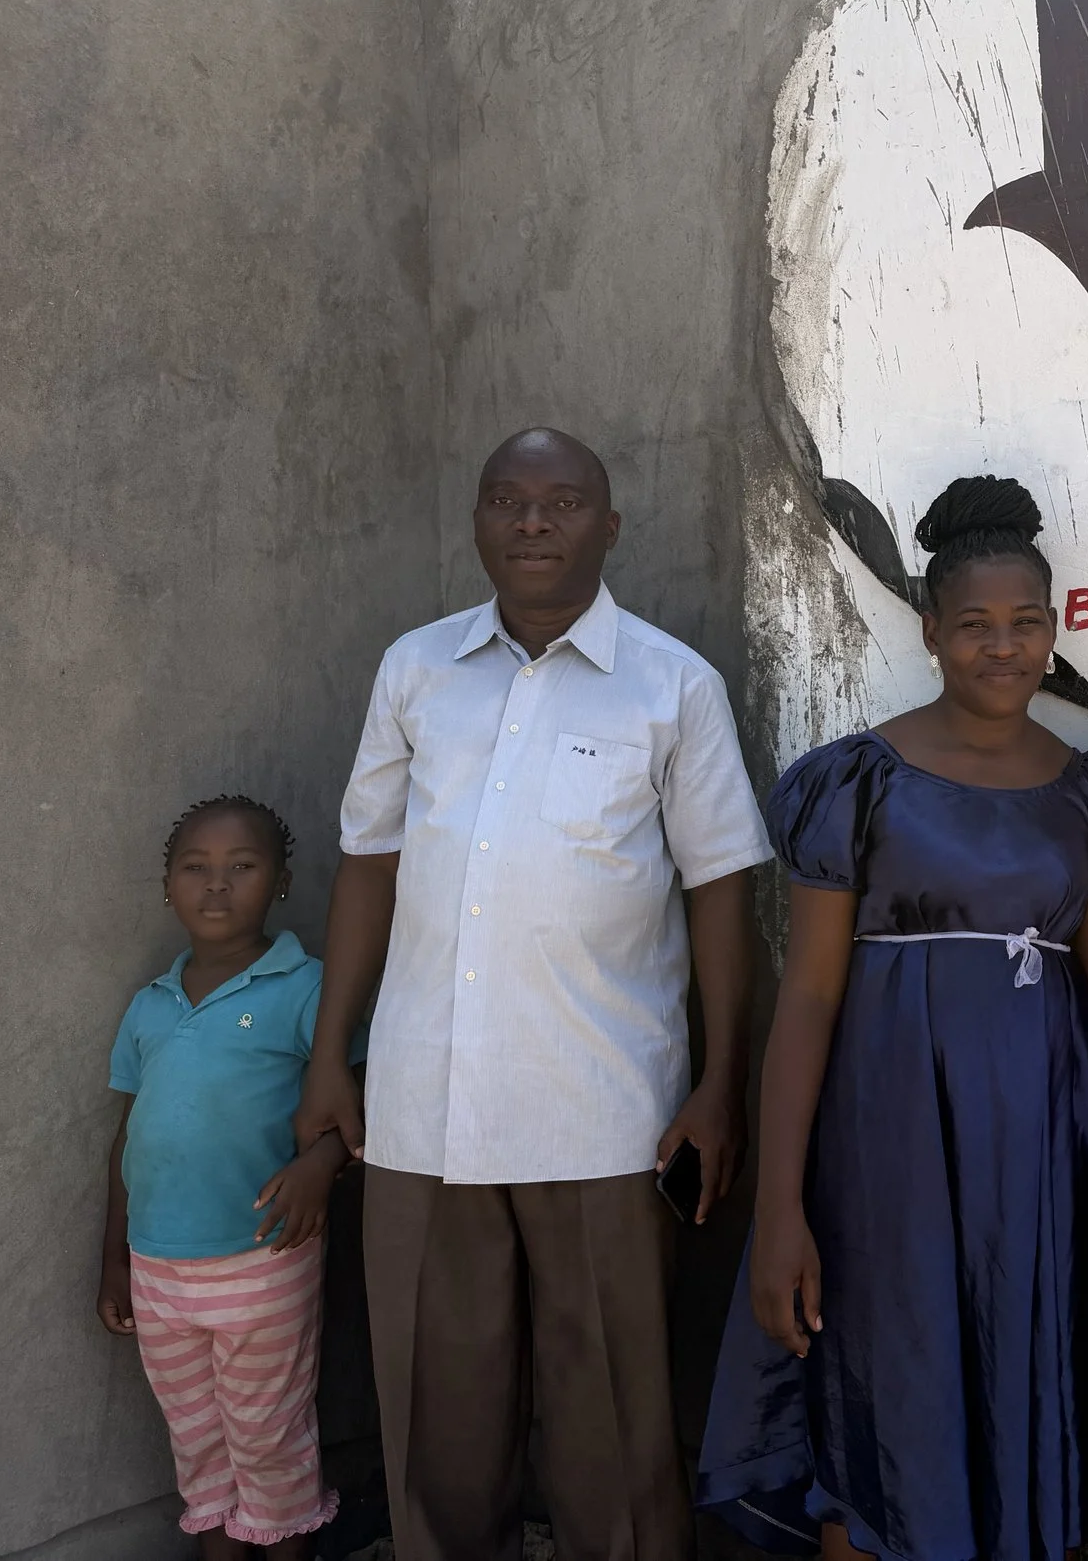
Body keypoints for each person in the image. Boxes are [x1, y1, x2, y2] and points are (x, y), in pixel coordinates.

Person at [294, 427, 771, 1561]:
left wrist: (719, 1084)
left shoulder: (673, 686)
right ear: (477, 522)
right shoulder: (416, 670)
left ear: (609, 526)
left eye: (562, 502)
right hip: (424, 1108)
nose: (533, 522)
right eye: (507, 500)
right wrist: (329, 1058)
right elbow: (367, 864)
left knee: (612, 1425)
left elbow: (720, 890)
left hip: (602, 1112)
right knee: (437, 1425)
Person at [699, 474, 1088, 1559]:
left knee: (1018, 1382)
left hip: (1043, 1157)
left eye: (1026, 622)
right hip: (885, 1152)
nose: (1004, 646)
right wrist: (779, 1208)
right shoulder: (861, 781)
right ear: (932, 633)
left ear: (1054, 629)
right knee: (877, 1392)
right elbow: (809, 995)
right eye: (975, 624)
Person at [98, 796, 353, 1560]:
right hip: (158, 1267)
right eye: (195, 867)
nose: (216, 884)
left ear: (280, 881)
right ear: (167, 886)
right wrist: (113, 1255)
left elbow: (358, 1089)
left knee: (268, 1434)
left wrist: (321, 1164)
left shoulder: (305, 987)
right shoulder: (149, 1004)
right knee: (197, 1438)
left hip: (261, 1255)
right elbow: (128, 1137)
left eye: (241, 865)